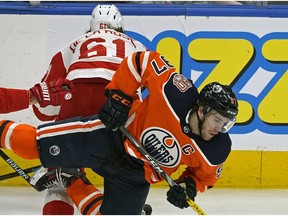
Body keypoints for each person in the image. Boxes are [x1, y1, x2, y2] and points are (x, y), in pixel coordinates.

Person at [0, 50, 239, 214]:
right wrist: (120, 97)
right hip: (109, 136)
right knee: (35, 145)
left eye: (226, 123)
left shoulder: (217, 148)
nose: (220, 128)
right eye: (217, 120)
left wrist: (188, 187)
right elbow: (140, 61)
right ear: (201, 110)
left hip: (135, 177)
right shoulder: (176, 92)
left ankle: (69, 179)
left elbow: (205, 178)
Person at [0, 4, 151, 215]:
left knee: (59, 176)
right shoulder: (138, 45)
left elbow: (47, 100)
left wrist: (58, 122)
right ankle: (121, 204)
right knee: (120, 171)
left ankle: (64, 175)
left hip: (76, 97)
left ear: (91, 27)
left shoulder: (75, 43)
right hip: (118, 105)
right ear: (121, 27)